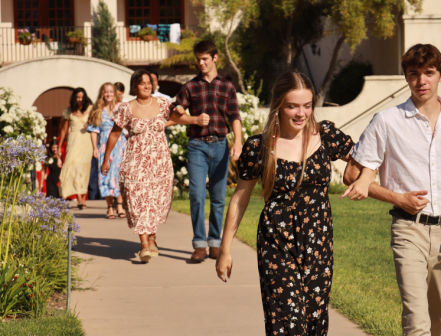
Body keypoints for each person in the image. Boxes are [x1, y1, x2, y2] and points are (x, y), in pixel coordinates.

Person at [342, 44, 441, 336]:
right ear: (406, 77)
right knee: (416, 321)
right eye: (414, 74)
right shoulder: (386, 121)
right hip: (408, 229)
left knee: (439, 317)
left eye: (428, 73)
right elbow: (355, 177)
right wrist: (396, 198)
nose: (421, 81)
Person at [215, 72, 354, 335]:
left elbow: (365, 155)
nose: (301, 113)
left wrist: (356, 173)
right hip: (276, 243)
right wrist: (225, 249)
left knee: (314, 321)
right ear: (278, 103)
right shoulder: (259, 146)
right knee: (287, 324)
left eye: (307, 105)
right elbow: (240, 199)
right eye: (292, 106)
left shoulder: (325, 136)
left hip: (318, 244)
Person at [101, 70, 199, 263]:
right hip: (135, 161)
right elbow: (114, 134)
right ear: (134, 86)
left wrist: (194, 120)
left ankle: (152, 238)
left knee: (155, 200)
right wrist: (106, 159)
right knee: (138, 199)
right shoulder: (126, 108)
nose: (146, 86)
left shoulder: (163, 103)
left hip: (160, 162)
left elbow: (178, 117)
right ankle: (144, 243)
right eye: (141, 83)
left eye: (149, 83)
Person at [172, 40, 243, 262]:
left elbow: (235, 117)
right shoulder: (190, 87)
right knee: (196, 195)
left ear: (215, 58)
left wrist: (238, 142)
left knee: (219, 198)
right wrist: (194, 118)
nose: (201, 63)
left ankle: (215, 243)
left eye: (205, 59)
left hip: (221, 145)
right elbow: (176, 115)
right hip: (197, 146)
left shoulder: (227, 86)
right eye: (198, 59)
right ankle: (199, 245)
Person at [88, 82, 128, 219]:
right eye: (106, 92)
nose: (109, 94)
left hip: (120, 145)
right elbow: (93, 131)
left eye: (111, 91)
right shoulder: (97, 110)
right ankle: (110, 207)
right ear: (102, 94)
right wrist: (95, 148)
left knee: (119, 175)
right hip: (104, 146)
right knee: (105, 176)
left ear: (115, 93)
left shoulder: (121, 107)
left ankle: (120, 205)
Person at [58, 88, 93, 209]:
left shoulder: (90, 109)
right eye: (78, 97)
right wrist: (59, 147)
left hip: (87, 142)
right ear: (74, 98)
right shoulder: (68, 111)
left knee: (84, 170)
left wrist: (90, 124)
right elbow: (63, 130)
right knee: (75, 168)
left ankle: (83, 199)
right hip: (73, 142)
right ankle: (79, 199)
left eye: (82, 97)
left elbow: (97, 123)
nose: (80, 99)